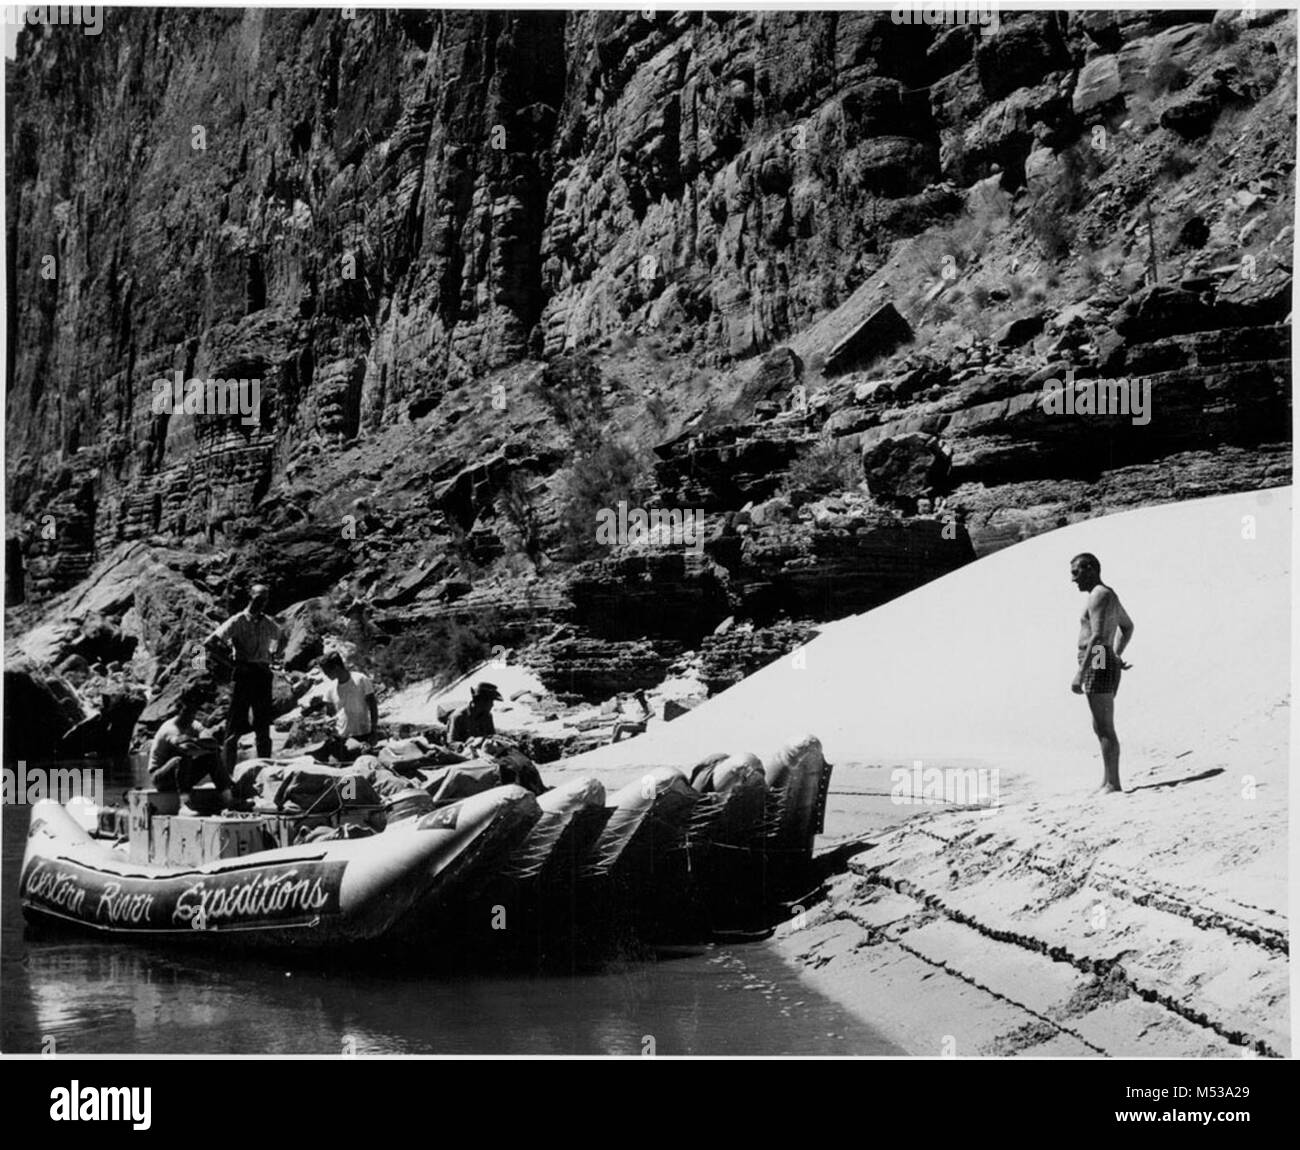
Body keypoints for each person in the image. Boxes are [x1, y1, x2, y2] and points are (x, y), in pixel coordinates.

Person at [1070, 553, 1135, 794]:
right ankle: (1107, 779)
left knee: (1104, 725)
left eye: (1076, 572)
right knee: (1100, 725)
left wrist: (1081, 672)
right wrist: (1116, 655)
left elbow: (1097, 637)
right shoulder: (1107, 594)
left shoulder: (1099, 594)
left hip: (1097, 657)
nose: (1073, 579)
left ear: (1090, 569)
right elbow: (1127, 627)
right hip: (1103, 657)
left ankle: (1113, 783)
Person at [206, 582, 284, 773]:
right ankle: (227, 775)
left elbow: (281, 639)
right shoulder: (238, 621)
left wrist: (273, 655)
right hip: (243, 674)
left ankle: (264, 771)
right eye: (259, 599)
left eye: (265, 600)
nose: (262, 603)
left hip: (263, 674)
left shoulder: (269, 623)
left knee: (263, 725)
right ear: (251, 598)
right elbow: (209, 643)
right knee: (234, 726)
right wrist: (229, 662)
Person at [149, 688, 233, 814]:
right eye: (186, 712)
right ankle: (184, 804)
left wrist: (193, 741)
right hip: (161, 777)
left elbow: (213, 742)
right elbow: (185, 749)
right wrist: (201, 744)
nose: (189, 716)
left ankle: (229, 799)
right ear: (179, 712)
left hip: (182, 774)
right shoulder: (170, 729)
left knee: (212, 757)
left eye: (192, 712)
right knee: (182, 758)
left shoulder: (194, 724)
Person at [308, 651, 379, 761]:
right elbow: (329, 714)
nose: (325, 674)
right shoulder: (331, 688)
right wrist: (328, 721)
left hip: (362, 736)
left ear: (336, 667)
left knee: (356, 773)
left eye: (327, 671)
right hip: (340, 739)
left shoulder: (361, 680)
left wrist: (374, 731)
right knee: (343, 772)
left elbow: (373, 706)